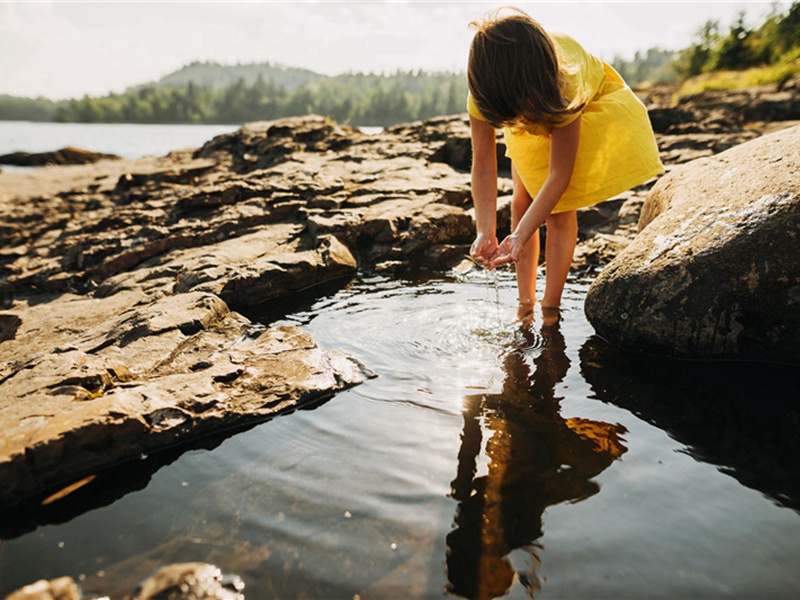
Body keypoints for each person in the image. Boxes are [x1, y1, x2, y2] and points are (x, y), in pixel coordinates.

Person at [467, 7, 663, 317]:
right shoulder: (485, 94)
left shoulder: (564, 86)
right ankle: (525, 303)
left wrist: (518, 237)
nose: (516, 120)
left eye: (518, 112)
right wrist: (485, 230)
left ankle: (550, 305)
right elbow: (484, 166)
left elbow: (559, 174)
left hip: (577, 106)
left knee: (558, 210)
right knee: (521, 202)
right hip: (531, 104)